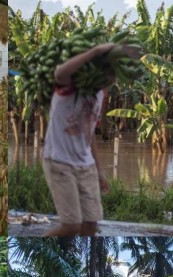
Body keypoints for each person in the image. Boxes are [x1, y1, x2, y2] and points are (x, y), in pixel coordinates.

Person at [42, 43, 119, 237]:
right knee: (71, 226)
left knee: (91, 225)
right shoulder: (69, 87)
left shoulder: (101, 95)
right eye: (109, 73)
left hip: (86, 166)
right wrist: (94, 52)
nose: (112, 79)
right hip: (59, 161)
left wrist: (100, 172)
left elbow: (89, 134)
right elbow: (59, 74)